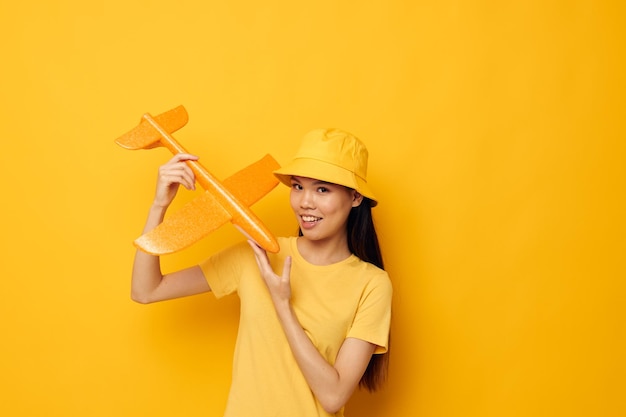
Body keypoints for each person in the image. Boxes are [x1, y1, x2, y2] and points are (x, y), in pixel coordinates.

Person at [130, 128, 392, 417]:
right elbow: (146, 290)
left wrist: (282, 304)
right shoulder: (257, 254)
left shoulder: (372, 284)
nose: (305, 202)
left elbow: (332, 396)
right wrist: (159, 205)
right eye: (297, 186)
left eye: (322, 189)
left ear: (355, 198)